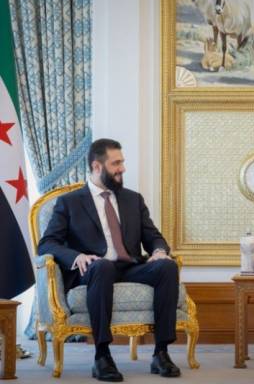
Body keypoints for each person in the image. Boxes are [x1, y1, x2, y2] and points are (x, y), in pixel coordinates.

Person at [39, 138, 181, 381]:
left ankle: (161, 353)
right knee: (103, 266)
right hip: (93, 270)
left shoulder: (133, 199)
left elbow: (153, 237)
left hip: (129, 267)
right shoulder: (70, 202)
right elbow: (47, 243)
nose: (122, 168)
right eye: (116, 163)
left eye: (122, 162)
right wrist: (77, 256)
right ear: (97, 166)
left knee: (167, 267)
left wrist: (158, 251)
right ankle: (102, 356)